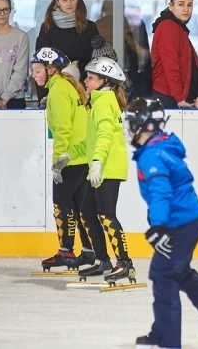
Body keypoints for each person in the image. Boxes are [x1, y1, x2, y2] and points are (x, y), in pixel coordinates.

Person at [125, 97, 198, 349]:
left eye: (133, 123)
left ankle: (166, 341)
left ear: (146, 125)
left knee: (163, 274)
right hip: (188, 219)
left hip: (180, 223)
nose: (130, 129)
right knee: (177, 272)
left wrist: (159, 226)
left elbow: (161, 192)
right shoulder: (159, 147)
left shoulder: (152, 154)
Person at [61, 56, 134, 283]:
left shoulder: (103, 101)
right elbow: (91, 140)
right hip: (102, 165)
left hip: (107, 167)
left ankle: (125, 263)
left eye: (91, 77)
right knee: (87, 212)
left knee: (106, 214)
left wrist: (97, 163)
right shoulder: (98, 100)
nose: (85, 80)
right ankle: (103, 260)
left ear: (104, 81)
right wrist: (69, 156)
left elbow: (104, 135)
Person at [32, 47, 103, 271]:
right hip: (81, 156)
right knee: (79, 207)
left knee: (61, 205)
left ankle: (66, 252)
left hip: (70, 159)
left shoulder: (59, 90)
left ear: (51, 70)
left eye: (37, 71)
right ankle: (89, 251)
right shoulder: (68, 85)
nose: (34, 75)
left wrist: (58, 163)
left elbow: (63, 130)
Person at [35, 0, 100, 99]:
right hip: (55, 86)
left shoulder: (89, 27)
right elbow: (41, 62)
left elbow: (95, 61)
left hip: (83, 85)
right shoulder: (47, 28)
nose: (69, 3)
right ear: (57, 2)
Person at [151, 0, 198, 109]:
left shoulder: (178, 28)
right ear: (171, 6)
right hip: (169, 96)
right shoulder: (168, 27)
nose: (186, 9)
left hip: (173, 95)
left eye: (189, 5)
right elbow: (171, 64)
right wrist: (180, 97)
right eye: (181, 4)